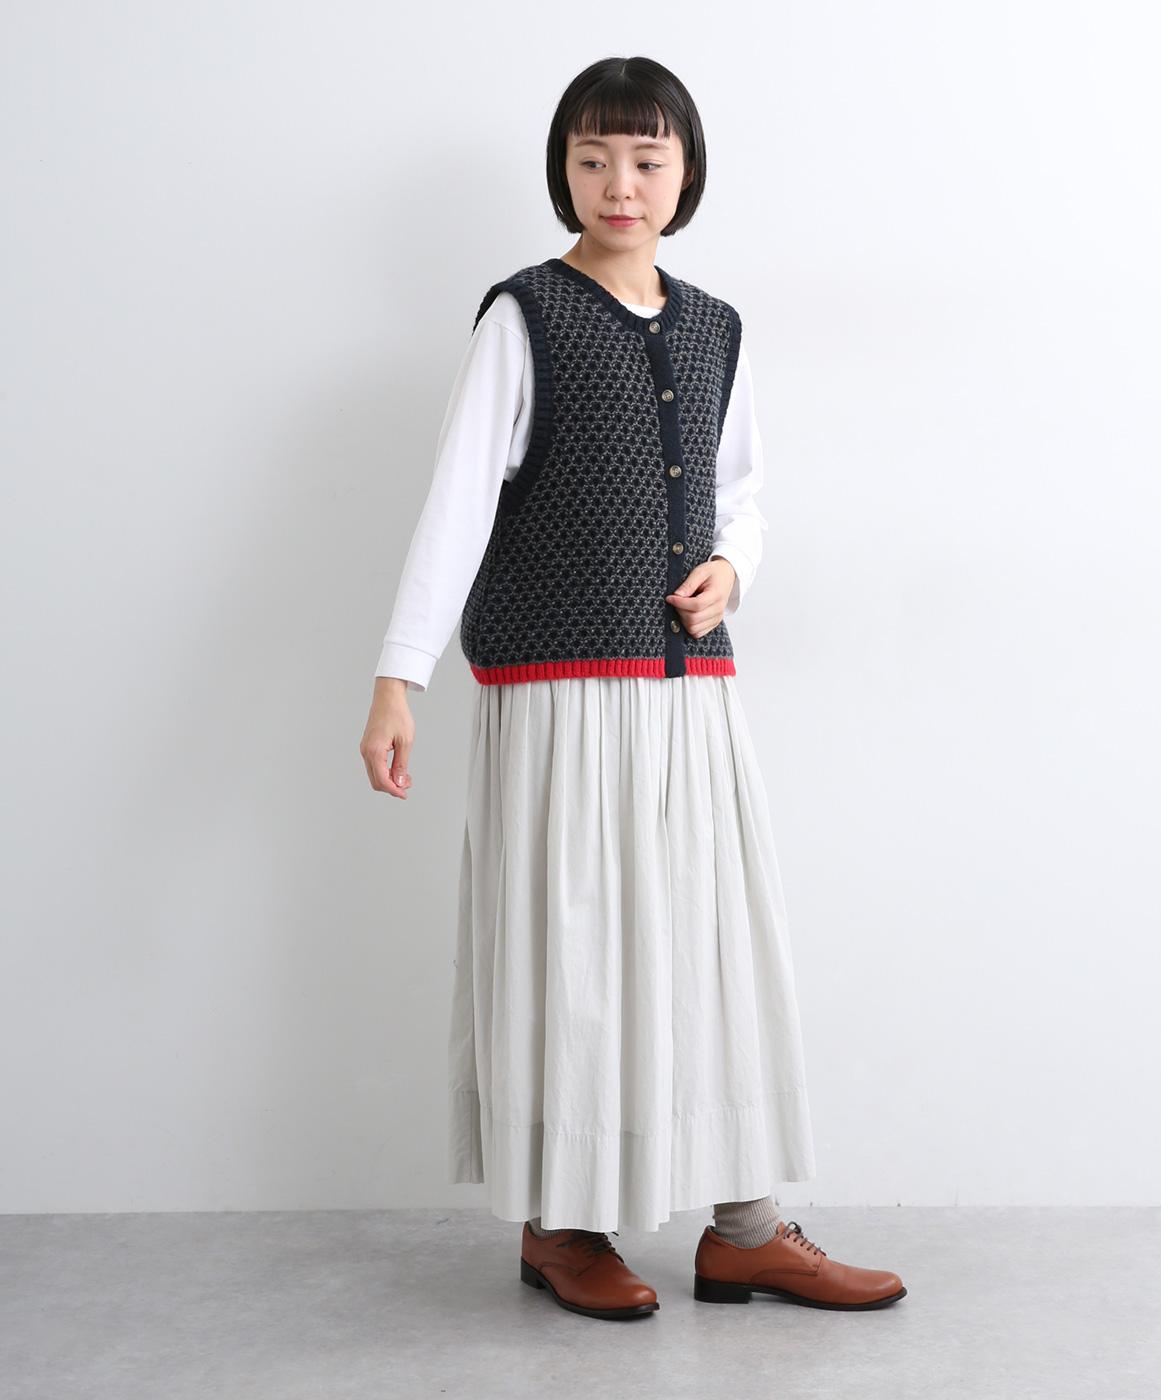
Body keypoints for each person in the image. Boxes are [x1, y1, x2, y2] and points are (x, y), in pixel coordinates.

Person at [360, 55, 906, 1321]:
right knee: (577, 956)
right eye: (594, 157)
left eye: (647, 159)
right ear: (563, 169)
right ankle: (563, 1225)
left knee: (715, 946)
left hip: (687, 693)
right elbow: (455, 507)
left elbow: (742, 492)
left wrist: (732, 566)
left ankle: (747, 1229)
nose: (620, 182)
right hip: (559, 698)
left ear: (685, 174)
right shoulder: (523, 319)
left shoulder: (716, 327)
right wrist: (398, 677)